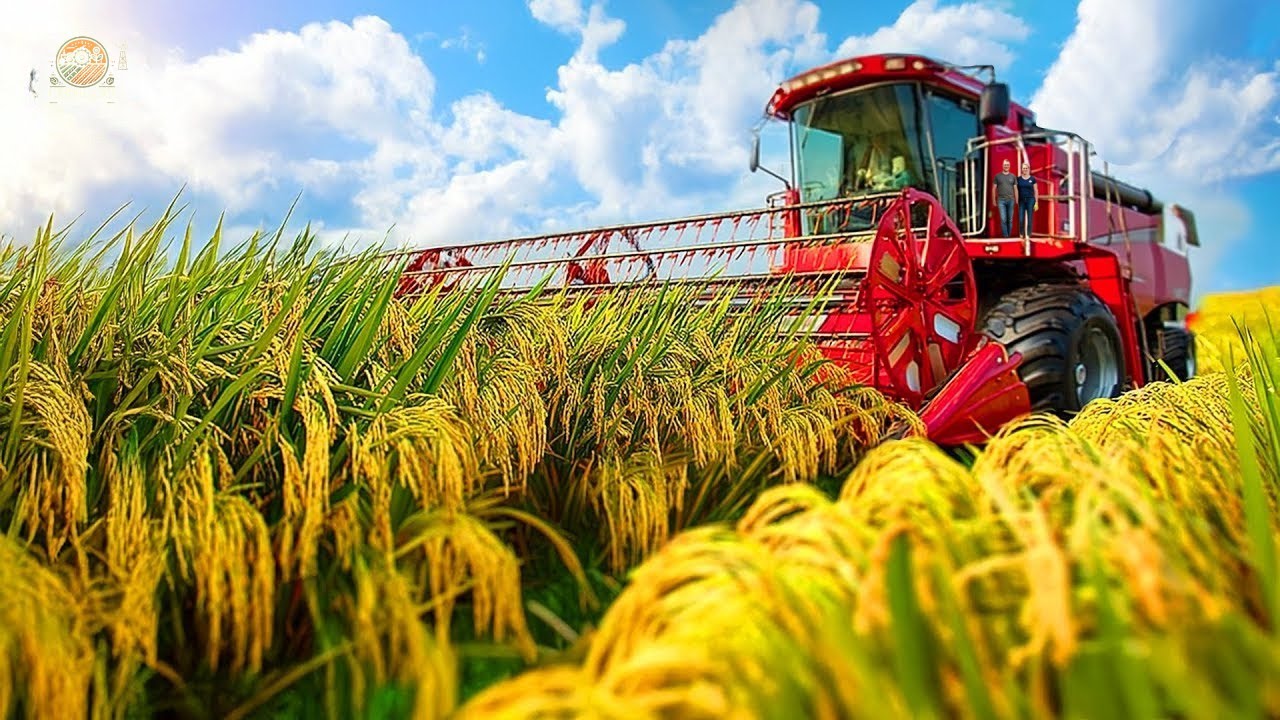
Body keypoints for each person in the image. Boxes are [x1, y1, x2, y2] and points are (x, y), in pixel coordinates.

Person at [992, 159, 1016, 237]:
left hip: (1011, 200)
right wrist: (993, 200)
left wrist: (1017, 199)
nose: (1006, 166)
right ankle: (1006, 236)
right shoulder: (998, 176)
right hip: (1001, 201)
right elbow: (994, 188)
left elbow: (1015, 188)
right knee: (1003, 219)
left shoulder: (1013, 176)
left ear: (1009, 166)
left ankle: (1008, 235)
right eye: (1005, 165)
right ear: (1003, 166)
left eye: (1007, 165)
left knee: (1010, 220)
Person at [1016, 161, 1037, 239]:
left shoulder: (1032, 179)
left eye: (1026, 168)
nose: (1025, 169)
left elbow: (1036, 190)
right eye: (1023, 168)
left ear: (1028, 169)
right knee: (1021, 219)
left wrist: (1036, 202)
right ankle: (1021, 233)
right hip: (1022, 200)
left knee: (1029, 218)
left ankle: (1028, 234)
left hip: (1030, 200)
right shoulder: (1018, 179)